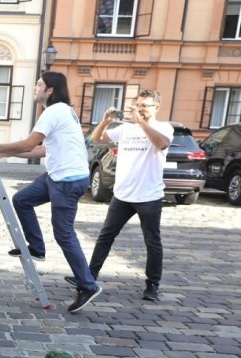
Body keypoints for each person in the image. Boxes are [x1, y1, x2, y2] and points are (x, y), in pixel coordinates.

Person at [0, 71, 102, 313]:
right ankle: (36, 247)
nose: (35, 88)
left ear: (50, 90)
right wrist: (7, 153)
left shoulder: (54, 111)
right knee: (22, 200)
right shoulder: (62, 112)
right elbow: (42, 151)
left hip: (67, 180)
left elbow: (29, 144)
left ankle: (87, 285)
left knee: (64, 234)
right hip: (57, 176)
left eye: (39, 84)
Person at [64, 90, 172, 301]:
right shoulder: (125, 129)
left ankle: (152, 285)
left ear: (156, 107)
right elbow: (96, 139)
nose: (140, 108)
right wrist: (104, 121)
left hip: (148, 196)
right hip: (122, 195)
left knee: (152, 241)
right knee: (105, 236)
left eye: (145, 105)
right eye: (138, 104)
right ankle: (88, 276)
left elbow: (161, 144)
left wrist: (141, 122)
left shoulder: (162, 128)